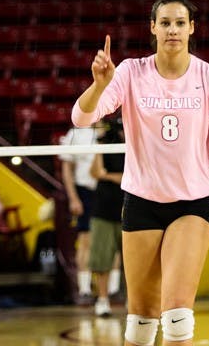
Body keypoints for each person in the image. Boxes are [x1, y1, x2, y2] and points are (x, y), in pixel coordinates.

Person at [72, 0, 209, 346]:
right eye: (166, 23)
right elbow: (81, 118)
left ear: (191, 29)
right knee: (139, 321)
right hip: (141, 201)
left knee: (176, 316)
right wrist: (98, 86)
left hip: (193, 204)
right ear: (153, 28)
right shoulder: (130, 72)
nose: (173, 29)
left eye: (180, 23)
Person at [58, 123, 100, 305]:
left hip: (110, 190)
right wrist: (73, 197)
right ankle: (84, 289)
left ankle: (113, 290)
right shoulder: (76, 133)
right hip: (85, 191)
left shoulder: (115, 132)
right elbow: (67, 169)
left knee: (113, 240)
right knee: (85, 240)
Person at [89, 117, 125, 317]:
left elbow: (129, 176)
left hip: (129, 211)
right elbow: (95, 172)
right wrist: (100, 145)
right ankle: (102, 301)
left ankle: (134, 301)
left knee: (133, 262)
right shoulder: (105, 145)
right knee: (101, 260)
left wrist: (108, 176)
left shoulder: (136, 145)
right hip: (103, 211)